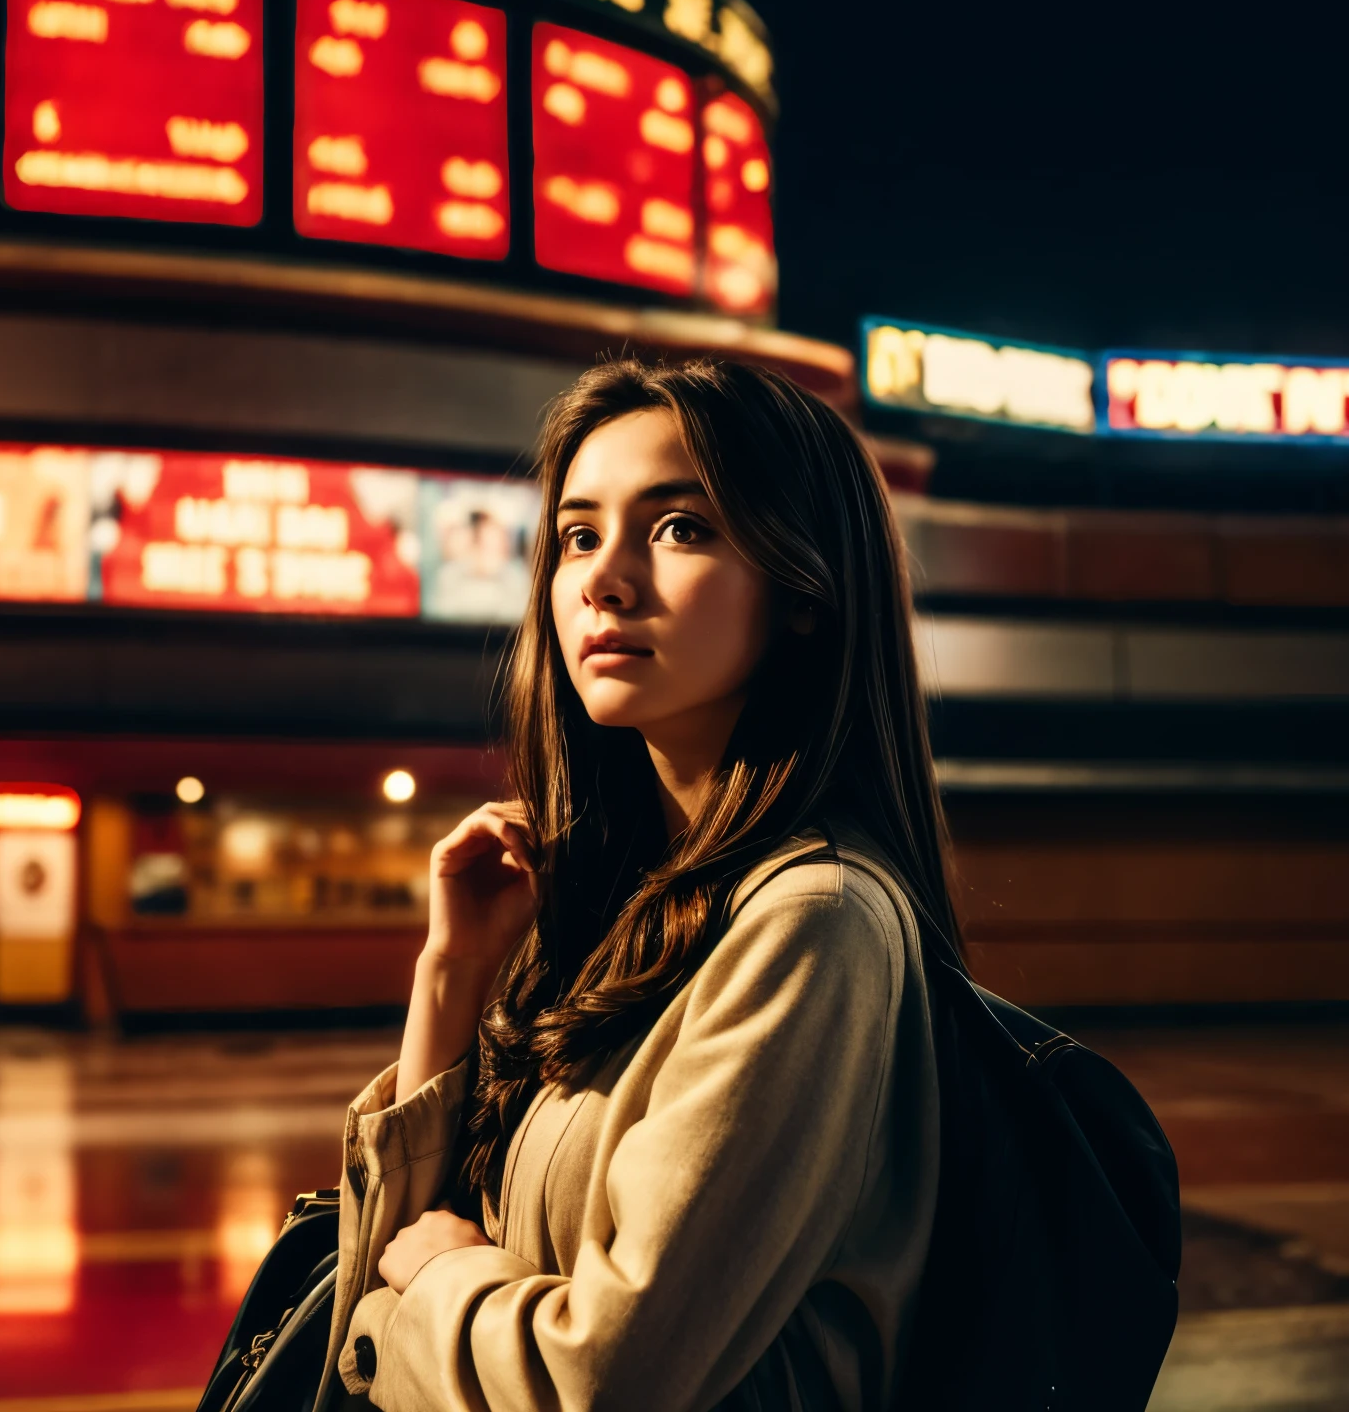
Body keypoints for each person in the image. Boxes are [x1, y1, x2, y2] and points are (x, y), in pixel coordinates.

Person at [319, 358, 958, 1412]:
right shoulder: (610, 906)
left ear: (803, 593)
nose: (603, 580)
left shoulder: (811, 921)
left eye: (679, 529)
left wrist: (435, 1282)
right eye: (577, 536)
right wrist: (450, 981)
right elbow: (370, 1273)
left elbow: (605, 1381)